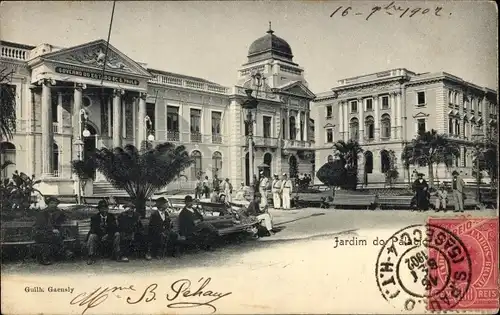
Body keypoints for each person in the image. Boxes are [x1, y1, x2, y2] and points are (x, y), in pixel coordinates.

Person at [33, 197, 69, 265]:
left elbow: (60, 223)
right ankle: (64, 251)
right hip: (40, 232)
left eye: (55, 204)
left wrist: (63, 214)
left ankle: (59, 253)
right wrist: (52, 230)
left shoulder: (58, 213)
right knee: (53, 236)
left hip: (52, 233)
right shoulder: (42, 213)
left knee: (56, 235)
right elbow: (42, 225)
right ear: (48, 204)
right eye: (52, 203)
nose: (54, 205)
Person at [87, 200, 122, 265]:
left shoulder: (111, 217)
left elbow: (115, 228)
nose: (104, 210)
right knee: (92, 236)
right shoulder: (95, 217)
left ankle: (117, 254)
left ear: (107, 209)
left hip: (109, 236)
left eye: (105, 208)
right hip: (99, 237)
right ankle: (91, 256)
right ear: (99, 209)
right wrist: (101, 236)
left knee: (117, 234)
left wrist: (108, 235)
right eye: (102, 208)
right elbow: (93, 229)